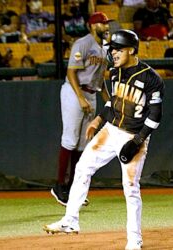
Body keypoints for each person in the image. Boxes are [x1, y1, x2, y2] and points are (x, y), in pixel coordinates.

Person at [43, 29, 165, 250]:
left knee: (130, 187)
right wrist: (98, 120)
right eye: (112, 49)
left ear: (131, 50)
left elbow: (155, 116)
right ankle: (70, 221)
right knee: (82, 168)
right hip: (110, 130)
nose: (114, 53)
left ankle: (134, 239)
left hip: (134, 135)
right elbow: (113, 103)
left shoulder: (151, 78)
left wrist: (137, 141)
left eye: (118, 49)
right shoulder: (115, 72)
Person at [50, 12, 111, 207]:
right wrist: (80, 97)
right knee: (70, 138)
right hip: (74, 91)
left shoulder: (105, 49)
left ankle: (73, 188)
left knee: (83, 143)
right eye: (102, 23)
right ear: (92, 25)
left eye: (107, 23)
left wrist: (109, 102)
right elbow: (71, 71)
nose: (106, 26)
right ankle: (59, 186)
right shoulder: (82, 43)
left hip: (91, 93)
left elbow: (101, 80)